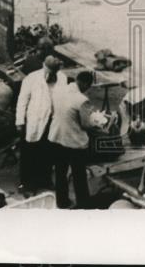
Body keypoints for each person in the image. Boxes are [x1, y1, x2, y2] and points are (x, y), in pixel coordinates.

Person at [16, 55, 67, 193]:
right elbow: (22, 100)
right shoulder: (32, 79)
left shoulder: (62, 78)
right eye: (48, 72)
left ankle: (45, 180)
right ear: (44, 67)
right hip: (34, 122)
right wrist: (20, 121)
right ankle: (27, 183)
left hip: (52, 122)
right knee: (29, 153)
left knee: (48, 152)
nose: (49, 75)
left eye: (53, 73)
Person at [48, 70, 95, 209]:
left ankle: (62, 202)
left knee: (60, 172)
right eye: (88, 87)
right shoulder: (82, 100)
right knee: (79, 175)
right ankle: (83, 203)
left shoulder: (58, 91)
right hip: (73, 141)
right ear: (85, 84)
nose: (87, 90)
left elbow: (54, 111)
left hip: (56, 135)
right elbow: (86, 124)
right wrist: (96, 125)